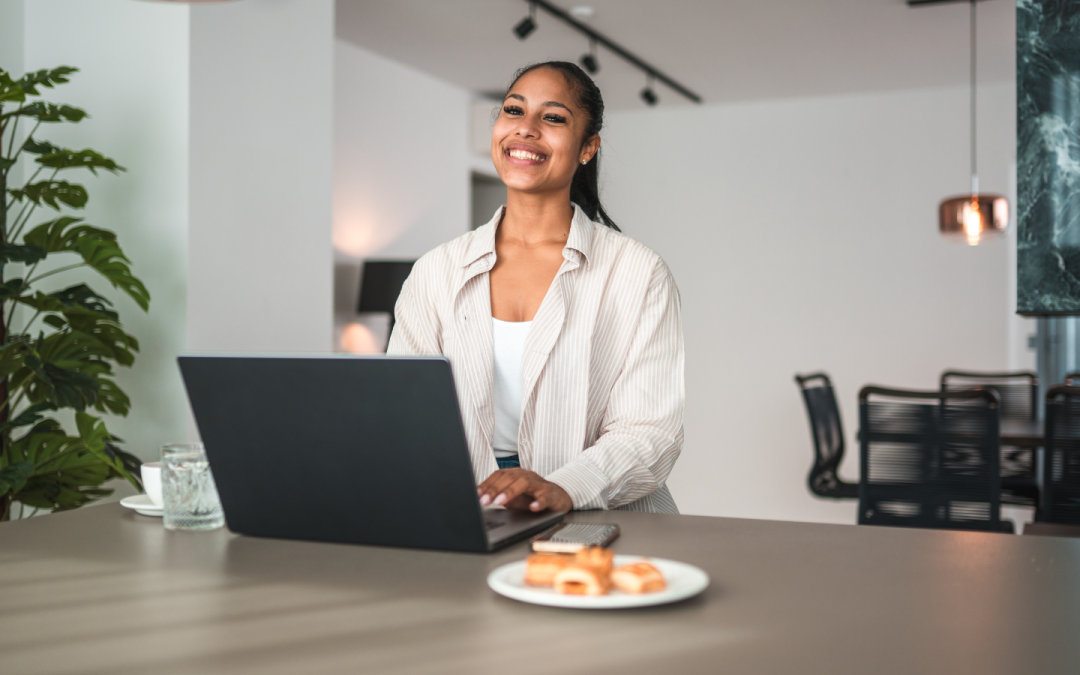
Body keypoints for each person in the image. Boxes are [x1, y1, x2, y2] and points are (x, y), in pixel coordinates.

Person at [387, 61, 683, 513]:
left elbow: (650, 432)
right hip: (470, 515)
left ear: (588, 147)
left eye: (553, 117)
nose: (525, 129)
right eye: (513, 110)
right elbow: (404, 418)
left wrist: (561, 487)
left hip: (603, 522)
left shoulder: (638, 273)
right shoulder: (435, 272)